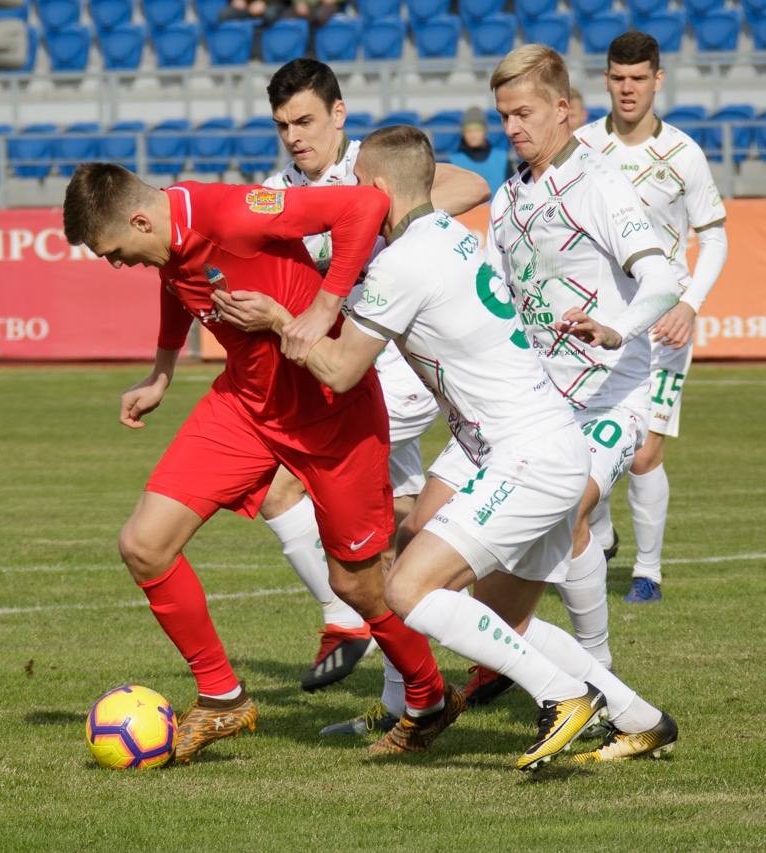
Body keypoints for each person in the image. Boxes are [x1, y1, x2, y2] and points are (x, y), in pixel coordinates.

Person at [215, 124, 678, 768]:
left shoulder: (402, 263)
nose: (349, 198)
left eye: (355, 188)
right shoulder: (455, 237)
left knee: (409, 589)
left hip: (525, 456)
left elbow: (342, 369)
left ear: (377, 190)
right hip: (544, 445)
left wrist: (274, 320)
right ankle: (640, 718)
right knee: (501, 619)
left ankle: (561, 695)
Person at [62, 164, 460, 761]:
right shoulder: (168, 239)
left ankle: (430, 698)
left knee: (357, 583)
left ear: (140, 220)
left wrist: (325, 309)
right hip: (246, 406)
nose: (119, 264)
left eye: (117, 252)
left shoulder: (232, 212)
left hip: (332, 412)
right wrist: (163, 371)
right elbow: (176, 280)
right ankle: (223, 698)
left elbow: (360, 207)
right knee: (144, 545)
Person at [259, 58, 490, 710]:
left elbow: (472, 182)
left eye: (305, 119)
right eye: (282, 125)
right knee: (400, 536)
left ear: (338, 114)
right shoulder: (277, 190)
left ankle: (347, 615)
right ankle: (418, 690)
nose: (295, 135)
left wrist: (361, 221)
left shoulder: (376, 163)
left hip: (395, 360)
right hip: (350, 362)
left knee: (280, 485)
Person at [461, 43, 682, 708]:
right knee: (508, 533)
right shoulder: (505, 200)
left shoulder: (601, 183)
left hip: (615, 389)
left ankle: (598, 679)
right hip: (540, 399)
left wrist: (619, 328)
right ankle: (541, 669)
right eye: (502, 117)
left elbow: (664, 277)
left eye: (522, 112)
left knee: (566, 510)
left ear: (562, 109)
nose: (511, 128)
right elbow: (497, 301)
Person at [576, 32, 728, 605]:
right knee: (591, 442)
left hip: (665, 322)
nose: (628, 88)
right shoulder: (584, 146)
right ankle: (602, 529)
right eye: (618, 77)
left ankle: (649, 570)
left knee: (644, 452)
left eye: (638, 78)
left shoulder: (685, 153)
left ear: (658, 80)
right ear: (607, 79)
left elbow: (713, 238)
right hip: (602, 322)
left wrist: (690, 304)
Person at [449, 106, 512, 194]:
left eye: (477, 130)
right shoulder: (454, 162)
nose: (473, 135)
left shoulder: (502, 158)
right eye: (469, 131)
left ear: (485, 131)